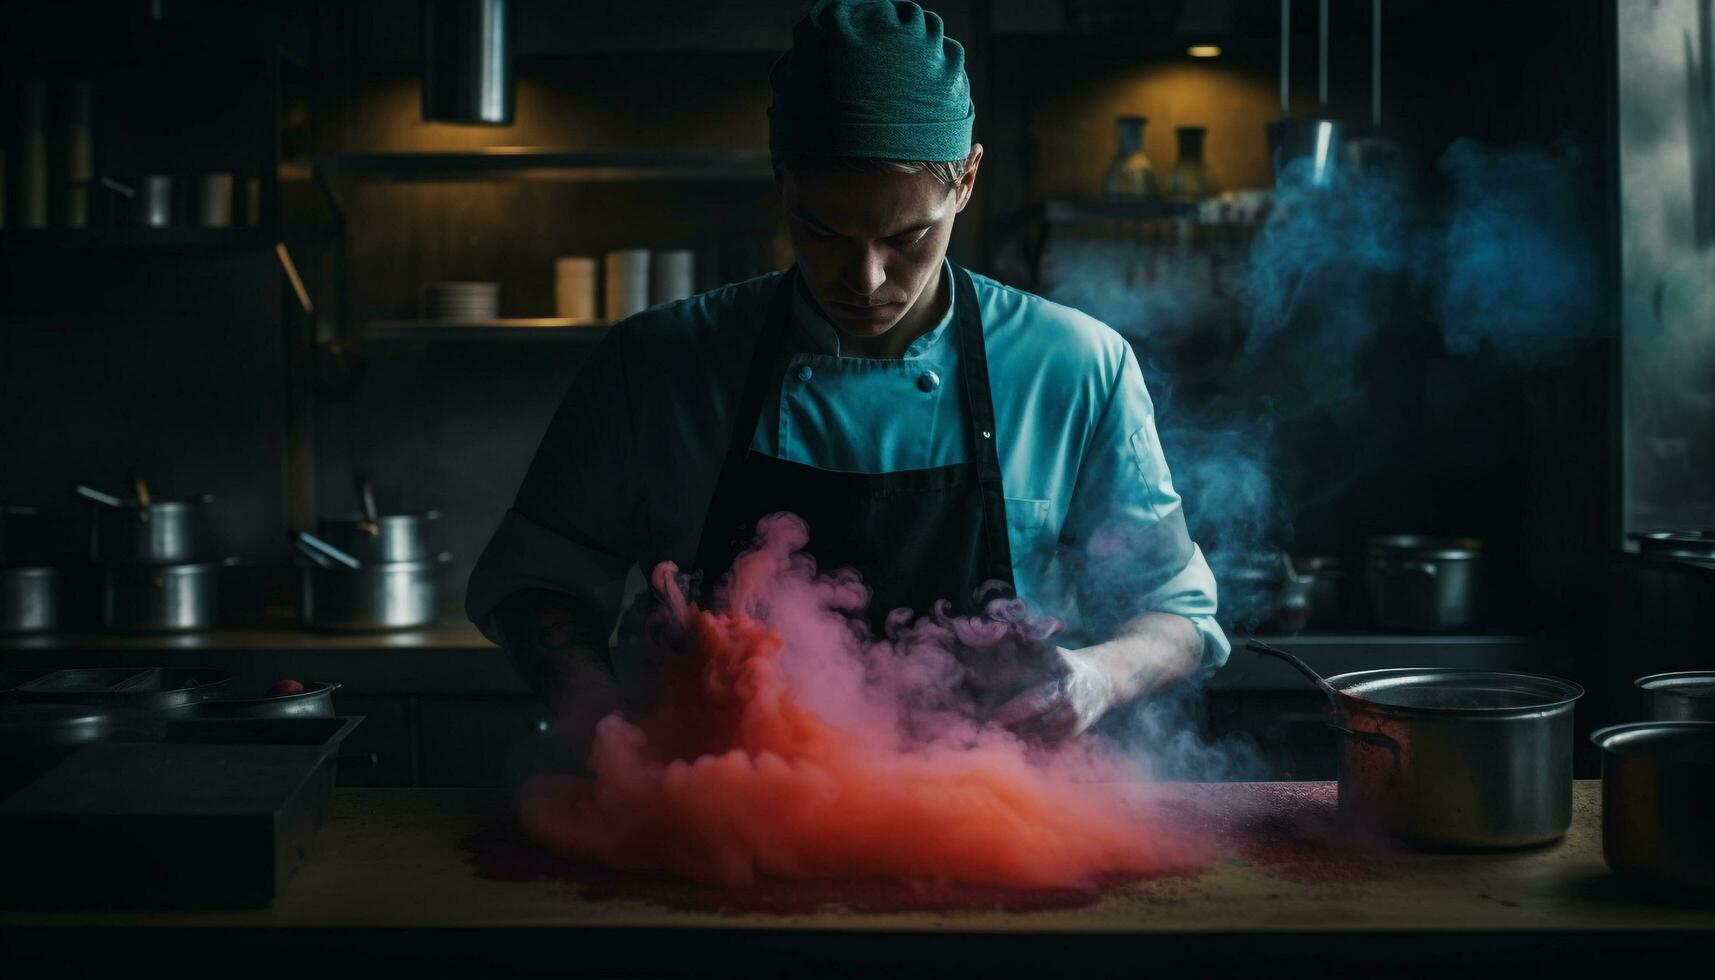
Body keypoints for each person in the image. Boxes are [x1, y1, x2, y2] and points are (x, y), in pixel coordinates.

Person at [466, 0, 1228, 744]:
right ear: (780, 181)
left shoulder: (1075, 365)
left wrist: (1096, 677)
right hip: (714, 823)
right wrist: (605, 725)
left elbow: (1177, 611)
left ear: (965, 179)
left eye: (907, 236)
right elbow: (539, 584)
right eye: (821, 229)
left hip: (992, 829)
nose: (864, 280)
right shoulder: (656, 365)